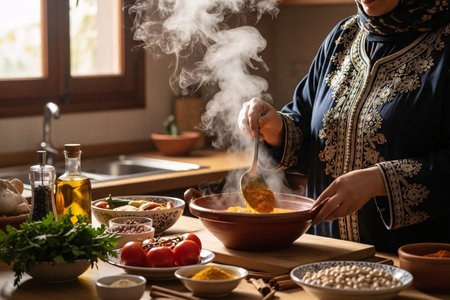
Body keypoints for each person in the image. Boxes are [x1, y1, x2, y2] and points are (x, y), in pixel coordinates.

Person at [238, 0, 450, 253]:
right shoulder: (343, 37)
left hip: (418, 266)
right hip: (325, 257)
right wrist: (276, 129)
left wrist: (380, 181)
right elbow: (306, 125)